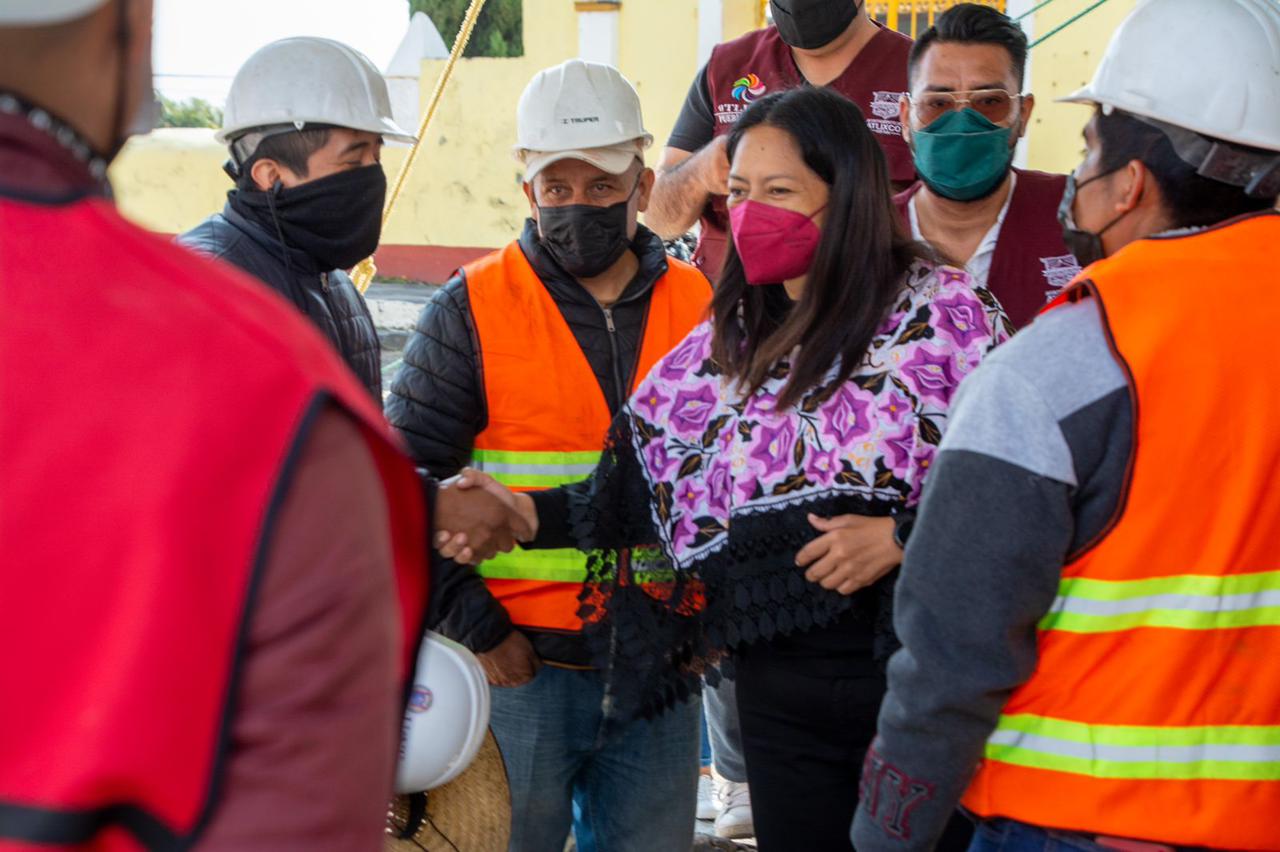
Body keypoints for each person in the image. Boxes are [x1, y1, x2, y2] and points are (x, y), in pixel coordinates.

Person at [457, 85, 1008, 852]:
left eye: (780, 192)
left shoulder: (947, 316)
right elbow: (646, 488)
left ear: (845, 195)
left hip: (914, 684)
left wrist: (903, 538)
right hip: (780, 691)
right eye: (740, 192)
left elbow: (1020, 486)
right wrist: (520, 513)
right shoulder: (733, 341)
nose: (752, 214)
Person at [0, 1, 431, 849]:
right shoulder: (229, 344)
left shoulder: (328, 295)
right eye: (359, 155)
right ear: (129, 24)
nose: (371, 177)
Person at [852, 0, 1280, 849]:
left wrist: (888, 826)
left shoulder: (1065, 361)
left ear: (1130, 184)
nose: (1078, 172)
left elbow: (955, 640)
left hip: (1077, 818)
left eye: (1090, 149)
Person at [385, 59, 712, 852]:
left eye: (600, 186)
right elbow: (403, 486)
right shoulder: (471, 307)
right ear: (526, 187)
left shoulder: (701, 304)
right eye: (556, 188)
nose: (577, 207)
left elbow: (727, 478)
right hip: (520, 671)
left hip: (661, 674)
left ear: (640, 177)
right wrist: (481, 630)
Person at [180, 37, 524, 567]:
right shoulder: (212, 287)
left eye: (376, 156)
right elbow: (235, 479)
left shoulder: (332, 282)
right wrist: (431, 507)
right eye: (352, 161)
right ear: (270, 177)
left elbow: (354, 456)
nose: (372, 178)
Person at [648, 0, 916, 279]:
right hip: (733, 306)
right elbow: (658, 218)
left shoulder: (920, 76)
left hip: (867, 301)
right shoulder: (727, 68)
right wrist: (701, 171)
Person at [894, 3, 1080, 329]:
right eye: (938, 103)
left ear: (1022, 114)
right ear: (906, 117)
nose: (963, 120)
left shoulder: (1080, 217)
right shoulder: (866, 233)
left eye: (989, 102)